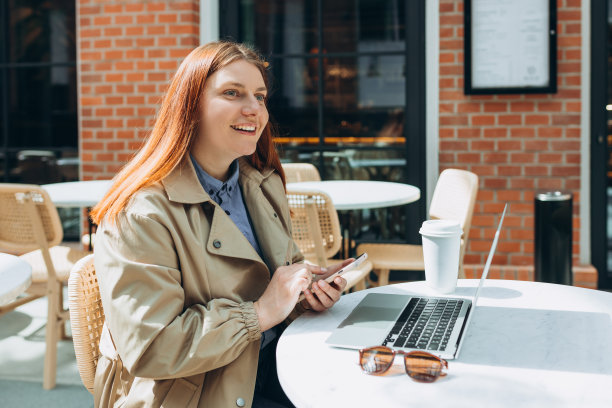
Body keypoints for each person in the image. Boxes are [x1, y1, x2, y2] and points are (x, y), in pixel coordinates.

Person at [90, 41, 351, 408]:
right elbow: (151, 347)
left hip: (277, 362)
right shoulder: (140, 214)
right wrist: (259, 314)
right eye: (232, 93)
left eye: (260, 96)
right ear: (190, 107)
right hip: (198, 392)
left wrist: (305, 293)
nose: (253, 109)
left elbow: (282, 279)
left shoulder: (262, 183)